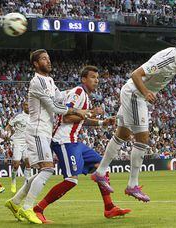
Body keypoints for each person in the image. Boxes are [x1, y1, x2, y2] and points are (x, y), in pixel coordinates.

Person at [91, 42, 176, 202]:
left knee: (122, 134)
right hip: (136, 95)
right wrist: (146, 92)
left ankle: (100, 173)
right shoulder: (167, 60)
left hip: (132, 93)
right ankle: (132, 185)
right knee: (142, 139)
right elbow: (135, 74)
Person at [33, 65, 131, 223]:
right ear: (83, 79)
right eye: (93, 77)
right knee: (71, 180)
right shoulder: (78, 92)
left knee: (101, 166)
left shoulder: (83, 95)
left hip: (74, 142)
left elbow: (80, 119)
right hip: (63, 141)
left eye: (97, 78)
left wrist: (101, 123)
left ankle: (109, 207)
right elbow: (67, 117)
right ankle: (38, 209)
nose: (96, 80)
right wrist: (92, 112)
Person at [4, 49, 89, 224]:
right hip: (36, 130)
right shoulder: (37, 82)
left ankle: (15, 202)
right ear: (35, 64)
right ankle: (28, 208)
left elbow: (60, 97)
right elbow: (54, 107)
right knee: (48, 169)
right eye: (44, 59)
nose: (48, 61)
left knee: (45, 170)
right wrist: (76, 110)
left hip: (44, 131)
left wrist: (77, 91)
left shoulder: (49, 81)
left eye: (49, 58)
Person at [5, 101, 31, 193]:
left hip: (27, 142)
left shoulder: (33, 116)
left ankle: (27, 183)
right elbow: (8, 126)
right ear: (23, 106)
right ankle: (13, 180)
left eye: (29, 104)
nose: (28, 106)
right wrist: (7, 133)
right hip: (17, 141)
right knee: (16, 164)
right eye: (26, 105)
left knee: (28, 162)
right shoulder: (18, 116)